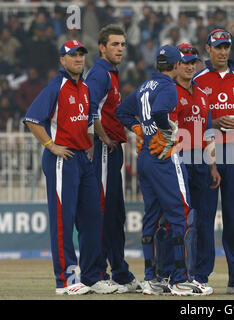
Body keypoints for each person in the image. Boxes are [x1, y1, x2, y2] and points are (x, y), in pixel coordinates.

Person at [115, 44, 213, 296]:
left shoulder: (145, 86)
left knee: (152, 217)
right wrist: (168, 133)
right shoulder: (168, 86)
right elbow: (160, 112)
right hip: (167, 156)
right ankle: (180, 279)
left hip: (147, 157)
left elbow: (121, 111)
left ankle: (151, 278)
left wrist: (138, 129)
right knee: (181, 214)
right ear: (176, 65)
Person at [23, 40, 118, 295]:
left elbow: (88, 119)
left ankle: (91, 275)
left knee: (92, 218)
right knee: (63, 221)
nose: (78, 59)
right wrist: (51, 146)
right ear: (62, 61)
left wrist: (89, 143)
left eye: (80, 55)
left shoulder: (85, 88)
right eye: (72, 55)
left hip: (82, 159)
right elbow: (32, 119)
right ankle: (65, 280)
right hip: (61, 159)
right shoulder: (56, 86)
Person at [193, 28, 234, 294]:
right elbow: (190, 117)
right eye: (217, 47)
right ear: (207, 49)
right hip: (206, 153)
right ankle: (201, 276)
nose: (222, 52)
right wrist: (213, 122)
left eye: (226, 47)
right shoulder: (196, 80)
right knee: (204, 218)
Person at [84, 24, 141, 293]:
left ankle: (119, 272)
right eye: (115, 44)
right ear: (102, 47)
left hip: (112, 151)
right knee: (103, 212)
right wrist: (104, 138)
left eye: (123, 44)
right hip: (104, 151)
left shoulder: (111, 74)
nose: (120, 48)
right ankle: (95, 275)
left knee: (115, 214)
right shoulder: (99, 74)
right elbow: (89, 108)